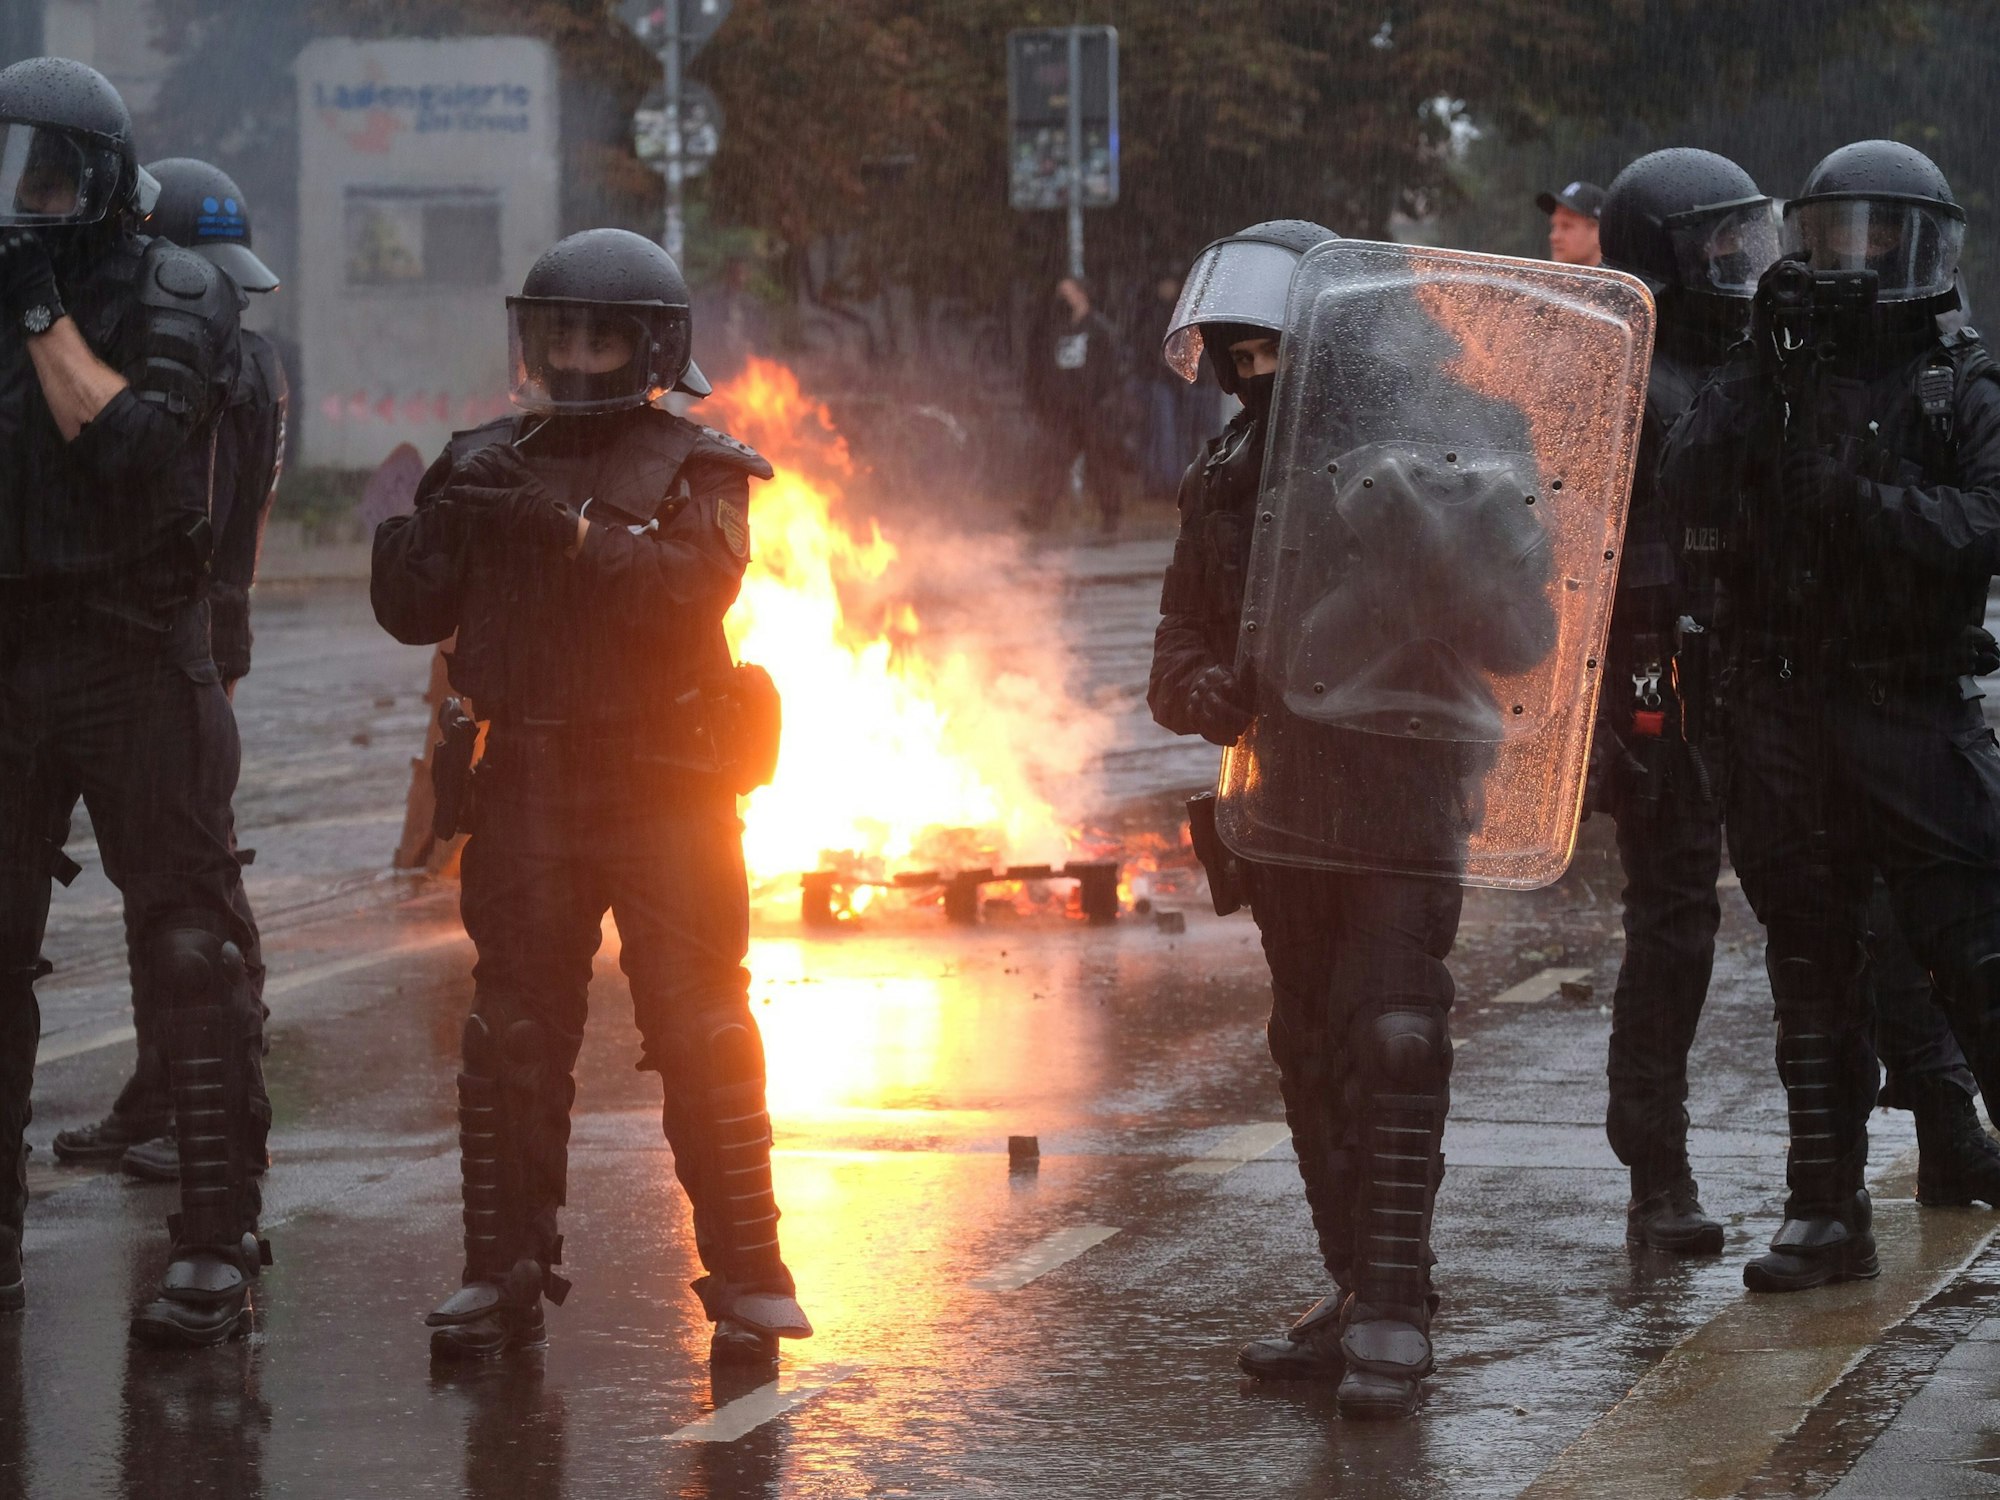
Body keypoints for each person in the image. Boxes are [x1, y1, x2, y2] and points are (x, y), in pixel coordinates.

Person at [371, 227, 811, 1364]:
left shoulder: (700, 467)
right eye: (558, 335)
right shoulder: (483, 455)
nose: (574, 356)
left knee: (703, 1028)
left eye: (600, 337)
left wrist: (559, 530)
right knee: (511, 1031)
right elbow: (409, 609)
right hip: (529, 785)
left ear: (650, 346)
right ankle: (500, 1268)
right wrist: (441, 519)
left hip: (667, 789)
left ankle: (750, 1278)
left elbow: (683, 592)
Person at [1660, 141, 2000, 1291]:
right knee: (1808, 967)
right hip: (1788, 712)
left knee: (1973, 957)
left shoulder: (1956, 381)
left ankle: (1919, 1158)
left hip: (1912, 707)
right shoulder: (1769, 372)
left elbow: (1983, 525)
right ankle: (1822, 1208)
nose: (1856, 260)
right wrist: (1758, 369)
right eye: (1833, 236)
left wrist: (1861, 503)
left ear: (1924, 247)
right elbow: (1683, 481)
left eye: (1879, 236)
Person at [1151, 219, 1469, 1420]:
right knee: (1310, 1044)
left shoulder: (1442, 444)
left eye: (1271, 351)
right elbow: (1175, 643)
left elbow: (1521, 632)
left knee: (1393, 1035)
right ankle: (1350, 1288)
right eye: (1236, 357)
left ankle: (1396, 1301)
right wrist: (1201, 690)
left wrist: (1410, 534)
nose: (1252, 376)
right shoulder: (1224, 472)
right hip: (1279, 804)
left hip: (1399, 792)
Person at [0, 57, 263, 1343]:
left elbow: (133, 450)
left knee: (188, 946)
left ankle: (212, 1244)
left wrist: (43, 314)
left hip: (137, 655)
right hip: (12, 654)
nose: (22, 199)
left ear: (100, 181)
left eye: (46, 176)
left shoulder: (179, 292)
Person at [51, 156, 286, 1184]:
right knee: (180, 889)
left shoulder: (205, 361)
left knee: (190, 898)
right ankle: (169, 1098)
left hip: (168, 640)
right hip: (205, 630)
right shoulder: (256, 357)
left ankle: (203, 1113)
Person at [1021, 273, 1126, 534]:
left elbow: (1112, 370)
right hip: (1064, 410)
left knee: (1100, 463)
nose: (1062, 299)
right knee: (1054, 460)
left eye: (1066, 293)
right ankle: (1039, 515)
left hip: (1092, 409)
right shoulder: (1059, 328)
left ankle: (1111, 515)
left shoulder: (1099, 329)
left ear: (1081, 294)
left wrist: (1101, 400)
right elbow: (1047, 367)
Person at [1538, 180, 1605, 266]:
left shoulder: (1620, 274)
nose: (1554, 237)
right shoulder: (1540, 274)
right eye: (1553, 226)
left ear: (1599, 234)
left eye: (1566, 226)